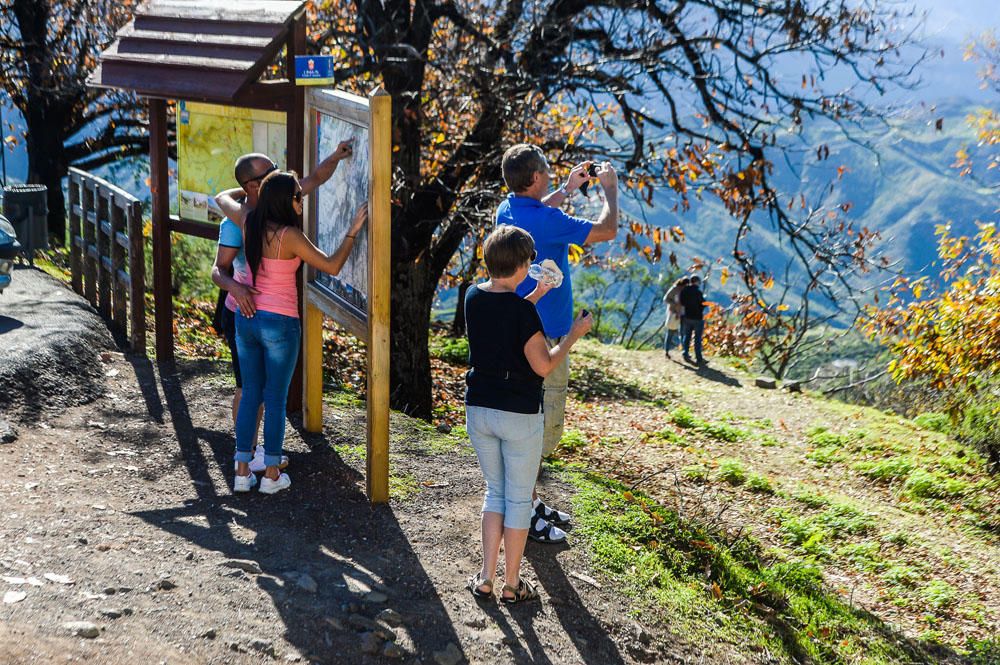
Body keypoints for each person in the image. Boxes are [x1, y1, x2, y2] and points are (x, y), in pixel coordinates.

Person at [496, 144, 618, 544]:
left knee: (526, 415)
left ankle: (528, 502)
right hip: (545, 332)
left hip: (515, 325)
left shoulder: (508, 211)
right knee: (540, 420)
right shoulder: (548, 220)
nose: (549, 178)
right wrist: (610, 191)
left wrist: (567, 188)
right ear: (533, 179)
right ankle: (523, 512)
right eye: (547, 175)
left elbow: (541, 211)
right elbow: (606, 230)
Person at [464, 225, 592, 603]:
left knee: (495, 493)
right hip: (518, 413)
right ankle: (512, 584)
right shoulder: (522, 312)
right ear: (522, 265)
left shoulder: (473, 296)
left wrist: (536, 294)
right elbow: (542, 366)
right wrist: (574, 334)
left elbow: (507, 318)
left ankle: (485, 577)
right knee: (519, 499)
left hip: (480, 409)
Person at [212, 142, 352, 473]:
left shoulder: (269, 201)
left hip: (253, 319)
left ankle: (245, 463)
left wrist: (335, 156)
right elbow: (218, 268)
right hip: (245, 313)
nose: (280, 172)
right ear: (252, 186)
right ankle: (257, 457)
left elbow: (316, 177)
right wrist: (235, 286)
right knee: (252, 391)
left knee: (256, 392)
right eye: (270, 170)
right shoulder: (239, 220)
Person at [232, 171, 366, 494]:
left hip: (246, 318)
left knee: (251, 392)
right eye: (297, 196)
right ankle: (272, 475)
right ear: (284, 201)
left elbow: (227, 198)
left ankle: (241, 472)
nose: (300, 201)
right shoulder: (288, 235)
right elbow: (331, 265)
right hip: (280, 322)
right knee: (275, 398)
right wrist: (352, 231)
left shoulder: (250, 222)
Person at [680, 275, 708, 365]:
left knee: (687, 336)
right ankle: (699, 358)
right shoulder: (698, 292)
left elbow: (682, 302)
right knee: (697, 339)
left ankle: (685, 353)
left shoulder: (684, 291)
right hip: (697, 318)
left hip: (687, 316)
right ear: (696, 282)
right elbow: (703, 304)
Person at [662, 276, 689, 358]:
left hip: (683, 313)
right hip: (674, 313)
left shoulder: (686, 290)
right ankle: (666, 350)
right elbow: (666, 299)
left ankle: (685, 352)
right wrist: (675, 304)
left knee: (683, 333)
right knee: (670, 332)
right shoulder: (674, 289)